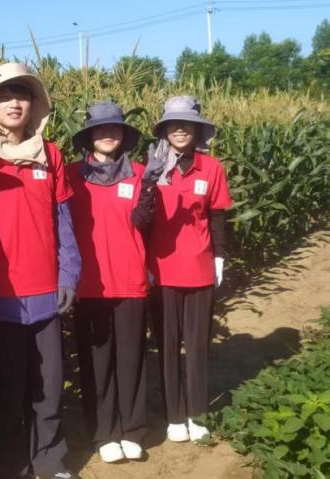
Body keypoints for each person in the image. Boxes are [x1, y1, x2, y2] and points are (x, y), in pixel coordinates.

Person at [0, 62, 81, 479]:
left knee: (49, 388)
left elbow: (63, 220)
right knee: (7, 393)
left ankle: (50, 461)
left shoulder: (51, 154)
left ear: (33, 104)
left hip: (45, 293)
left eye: (21, 94)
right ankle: (10, 468)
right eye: (4, 95)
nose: (13, 103)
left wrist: (69, 273)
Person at [67, 101, 165, 463]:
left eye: (115, 129)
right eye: (101, 129)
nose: (109, 134)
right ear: (89, 136)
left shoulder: (139, 174)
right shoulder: (71, 176)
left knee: (131, 359)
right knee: (96, 363)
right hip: (89, 284)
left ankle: (132, 430)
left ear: (123, 135)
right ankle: (104, 433)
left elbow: (143, 222)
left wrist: (151, 185)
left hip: (129, 280)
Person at [147, 95, 232, 444]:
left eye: (187, 124)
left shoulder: (211, 168)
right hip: (161, 269)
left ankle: (197, 412)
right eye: (173, 124)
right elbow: (140, 217)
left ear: (196, 130)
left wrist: (219, 256)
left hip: (198, 267)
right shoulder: (151, 168)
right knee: (167, 345)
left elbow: (217, 215)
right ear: (164, 130)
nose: (180, 129)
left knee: (196, 345)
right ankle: (174, 414)